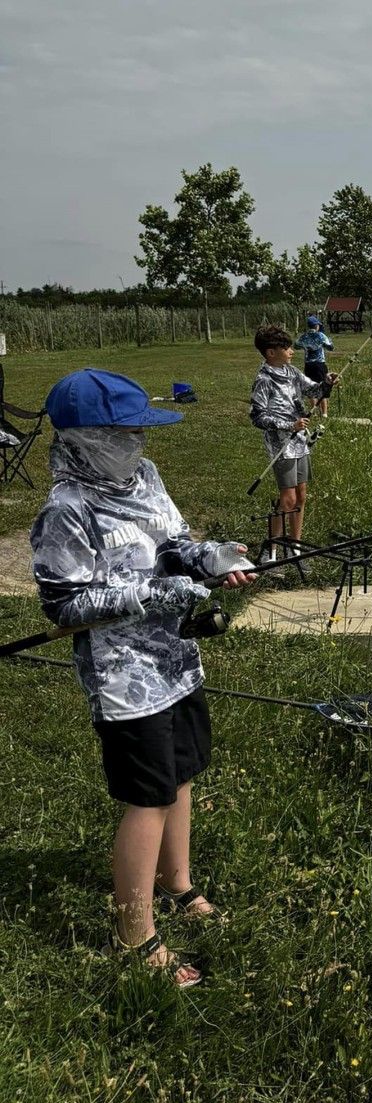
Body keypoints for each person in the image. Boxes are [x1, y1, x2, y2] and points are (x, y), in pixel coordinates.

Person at [29, 368, 257, 988]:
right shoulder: (67, 511)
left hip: (176, 660)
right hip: (125, 678)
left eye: (139, 432)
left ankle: (178, 885)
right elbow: (64, 608)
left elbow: (175, 542)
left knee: (181, 776)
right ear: (82, 438)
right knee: (149, 795)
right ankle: (136, 936)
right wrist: (151, 595)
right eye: (123, 434)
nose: (136, 444)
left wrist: (211, 557)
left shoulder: (145, 478)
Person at [249, 324, 337, 553]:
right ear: (271, 352)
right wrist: (289, 425)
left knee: (301, 495)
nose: (292, 350)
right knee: (287, 499)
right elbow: (257, 417)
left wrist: (327, 383)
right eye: (286, 347)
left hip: (300, 442)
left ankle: (295, 545)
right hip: (281, 446)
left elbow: (315, 392)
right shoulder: (264, 379)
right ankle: (273, 548)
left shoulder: (292, 372)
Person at [294, 315, 334, 418]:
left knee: (311, 387)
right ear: (316, 325)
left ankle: (314, 412)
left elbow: (296, 345)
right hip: (320, 364)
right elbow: (330, 348)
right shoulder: (321, 335)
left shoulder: (304, 336)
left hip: (308, 365)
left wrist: (305, 346)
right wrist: (330, 342)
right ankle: (324, 413)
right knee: (323, 386)